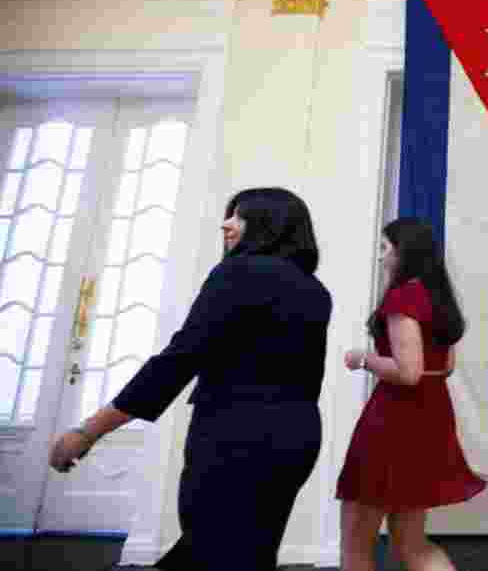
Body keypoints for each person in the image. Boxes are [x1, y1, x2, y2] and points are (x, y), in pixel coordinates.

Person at [48, 187, 332, 571]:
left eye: (238, 216)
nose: (226, 224)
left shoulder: (238, 271)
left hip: (236, 435)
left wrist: (90, 430)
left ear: (267, 223)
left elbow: (179, 359)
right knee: (246, 550)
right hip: (296, 435)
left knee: (214, 548)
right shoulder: (316, 291)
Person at [336, 218, 486, 571]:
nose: (381, 258)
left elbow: (408, 372)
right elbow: (444, 367)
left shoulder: (403, 298)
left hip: (394, 420)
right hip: (430, 417)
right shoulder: (438, 298)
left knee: (356, 545)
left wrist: (364, 359)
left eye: (385, 249)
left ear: (404, 253)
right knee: (412, 545)